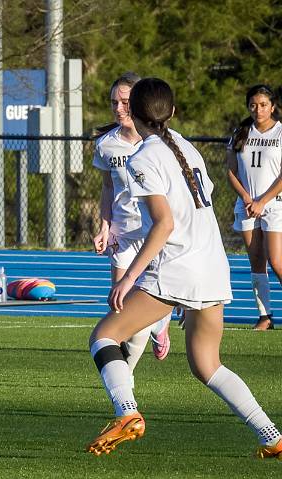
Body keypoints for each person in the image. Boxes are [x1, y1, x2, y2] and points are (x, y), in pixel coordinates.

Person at [86, 77, 282, 459]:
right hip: (212, 265)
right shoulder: (186, 148)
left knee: (104, 337)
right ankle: (271, 434)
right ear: (171, 112)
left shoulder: (143, 157)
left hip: (178, 268)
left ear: (135, 115)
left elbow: (164, 224)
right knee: (207, 366)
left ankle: (127, 413)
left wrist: (129, 278)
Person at [91, 72, 172, 386]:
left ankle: (126, 382)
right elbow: (108, 189)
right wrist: (104, 226)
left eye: (125, 101)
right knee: (121, 307)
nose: (119, 108)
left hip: (154, 235)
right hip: (124, 236)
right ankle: (126, 377)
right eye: (114, 102)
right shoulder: (106, 144)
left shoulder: (157, 142)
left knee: (143, 307)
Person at [226, 84, 282, 330]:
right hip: (248, 205)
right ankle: (265, 317)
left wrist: (263, 200)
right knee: (256, 261)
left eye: (263, 105)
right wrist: (248, 199)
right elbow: (231, 171)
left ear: (272, 106)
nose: (257, 109)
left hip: (274, 204)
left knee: (277, 260)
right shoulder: (241, 132)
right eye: (253, 105)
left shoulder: (280, 133)